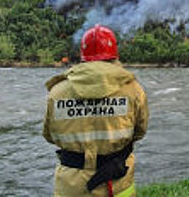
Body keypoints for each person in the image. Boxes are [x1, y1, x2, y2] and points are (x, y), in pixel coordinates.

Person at [43, 24, 149, 197]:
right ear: (114, 55)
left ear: (83, 56)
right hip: (116, 183)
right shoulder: (132, 89)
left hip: (72, 185)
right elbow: (139, 131)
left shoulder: (57, 92)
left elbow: (49, 135)